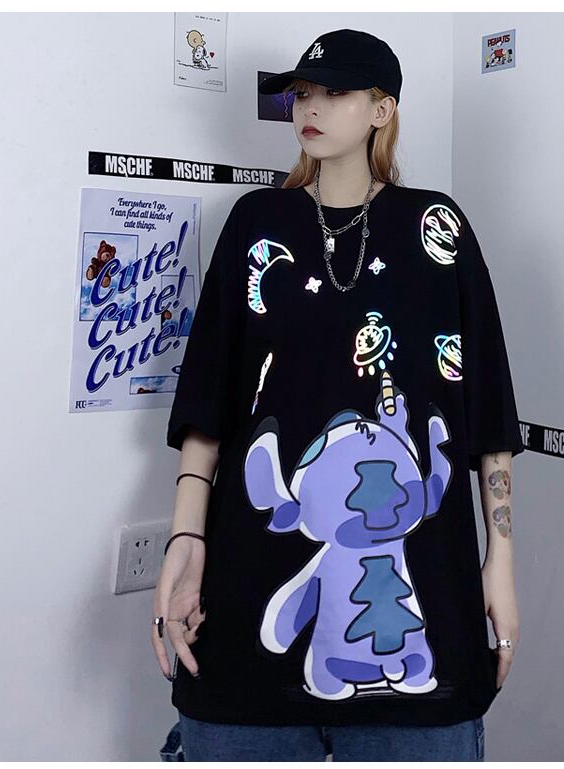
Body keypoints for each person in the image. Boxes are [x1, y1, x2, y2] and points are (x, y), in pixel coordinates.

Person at [152, 27, 524, 762]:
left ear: (383, 109)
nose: (310, 107)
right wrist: (186, 537)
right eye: (302, 94)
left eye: (335, 92)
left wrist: (501, 562)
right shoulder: (256, 223)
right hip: (248, 602)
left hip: (426, 613)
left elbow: (486, 407)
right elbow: (209, 398)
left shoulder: (437, 226)